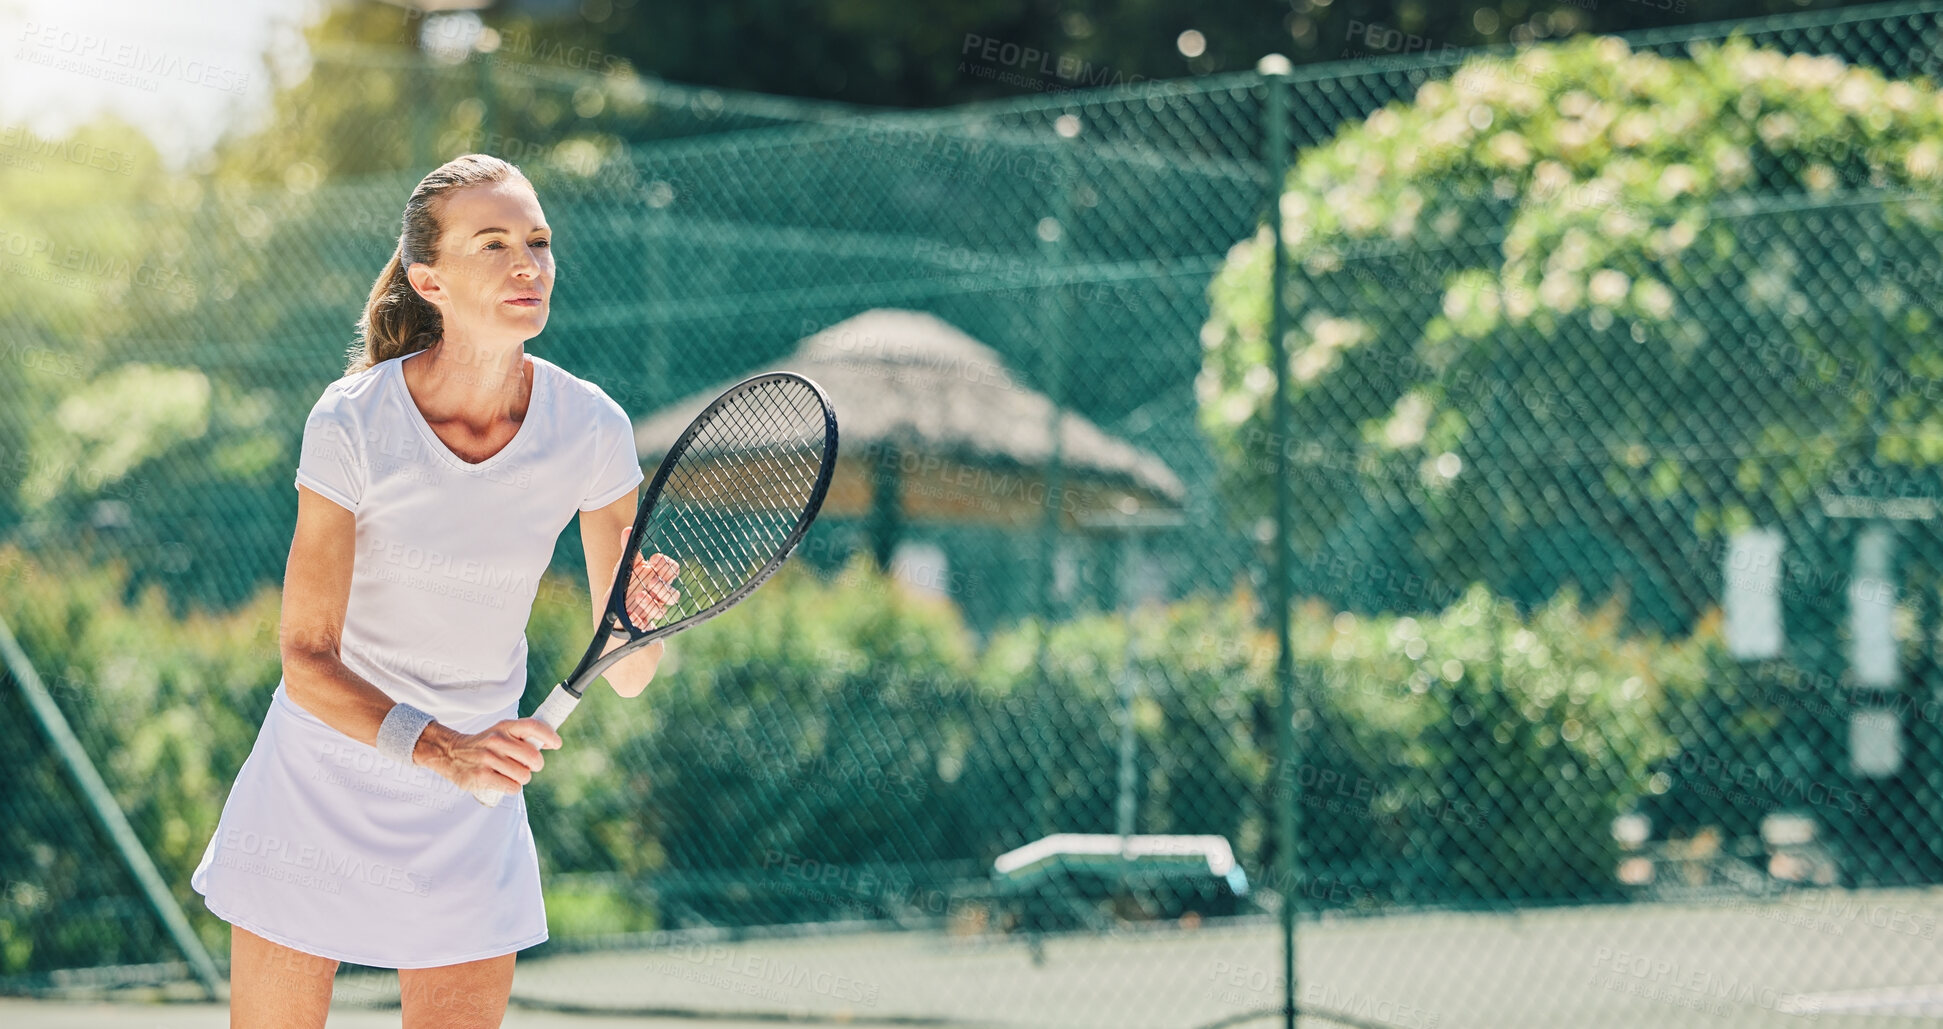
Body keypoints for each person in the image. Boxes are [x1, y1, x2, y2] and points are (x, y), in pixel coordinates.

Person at [190, 153, 679, 1028]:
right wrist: (439, 747)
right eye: (491, 244)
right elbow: (305, 659)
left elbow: (632, 671)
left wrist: (639, 626)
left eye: (537, 240)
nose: (527, 264)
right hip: (318, 781)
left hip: (470, 801)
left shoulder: (593, 429)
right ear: (429, 279)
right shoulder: (351, 420)